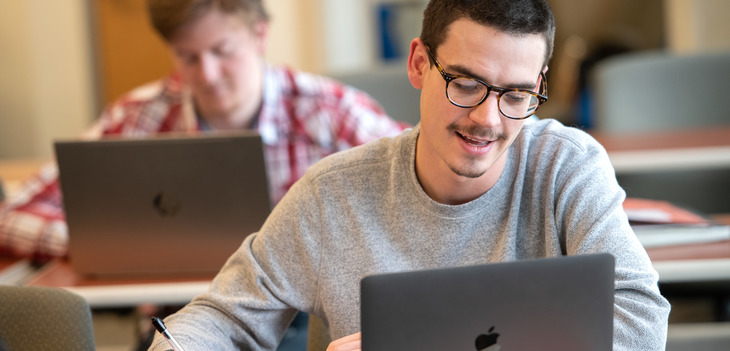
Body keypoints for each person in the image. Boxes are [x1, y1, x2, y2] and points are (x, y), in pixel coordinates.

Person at [149, 0, 671, 350]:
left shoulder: (566, 166)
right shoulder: (332, 194)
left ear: (537, 86)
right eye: (466, 84)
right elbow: (223, 318)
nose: (488, 120)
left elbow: (639, 319)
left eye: (515, 96)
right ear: (420, 64)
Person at [0, 0, 407, 261]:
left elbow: (422, 180)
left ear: (259, 35)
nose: (208, 75)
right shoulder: (139, 117)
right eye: (187, 57)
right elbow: (14, 215)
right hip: (180, 317)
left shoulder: (330, 112)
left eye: (222, 51)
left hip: (300, 316)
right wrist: (105, 246)